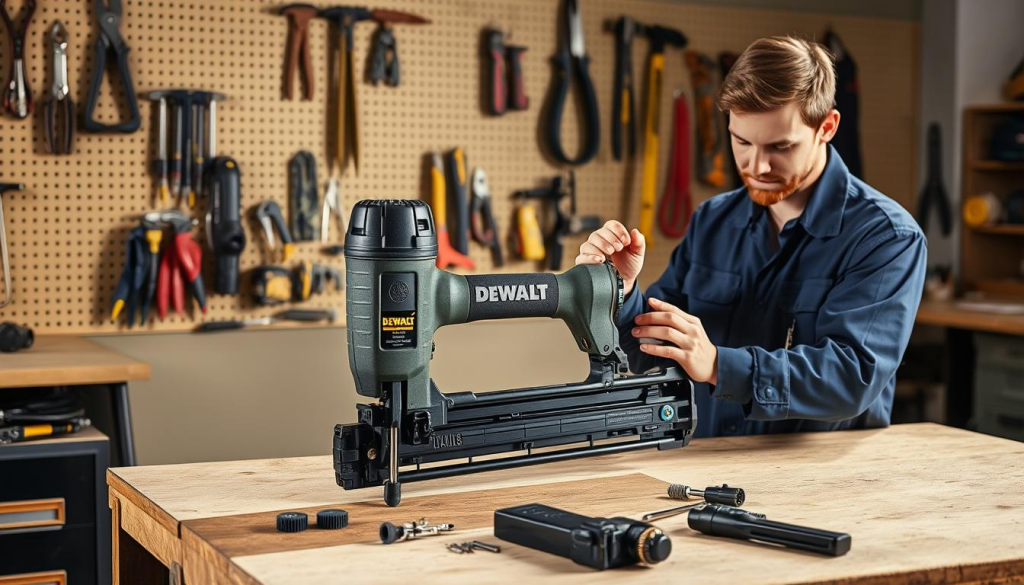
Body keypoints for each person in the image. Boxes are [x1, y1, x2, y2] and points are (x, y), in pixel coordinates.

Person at [575, 36, 927, 438]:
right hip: (708, 466)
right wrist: (619, 289)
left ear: (826, 127)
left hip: (825, 483)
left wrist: (719, 366)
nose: (757, 165)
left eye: (781, 146)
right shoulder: (713, 220)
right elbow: (651, 349)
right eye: (741, 142)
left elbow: (852, 377)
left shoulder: (886, 238)